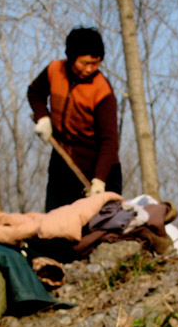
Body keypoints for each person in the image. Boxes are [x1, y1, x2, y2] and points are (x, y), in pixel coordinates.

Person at [28, 26, 122, 212]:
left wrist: (99, 180)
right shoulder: (54, 70)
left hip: (98, 170)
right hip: (62, 165)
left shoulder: (102, 91)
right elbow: (35, 93)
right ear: (71, 57)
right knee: (56, 226)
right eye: (84, 63)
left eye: (95, 63)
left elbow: (110, 141)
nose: (89, 69)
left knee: (99, 230)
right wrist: (43, 118)